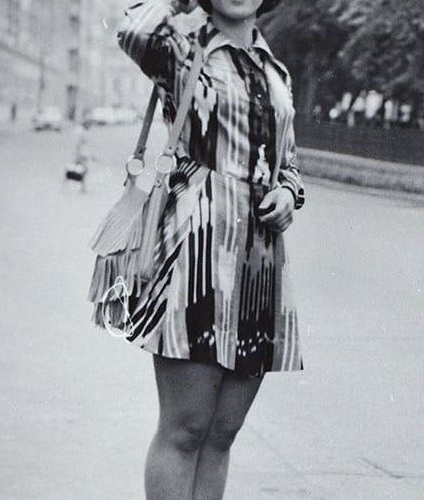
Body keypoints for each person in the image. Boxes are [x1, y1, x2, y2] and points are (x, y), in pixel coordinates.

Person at [115, 1, 305, 498]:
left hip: (258, 262)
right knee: (185, 429)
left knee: (222, 435)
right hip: (197, 251)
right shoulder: (180, 50)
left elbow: (287, 160)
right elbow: (132, 26)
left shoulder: (275, 69)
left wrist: (288, 193)